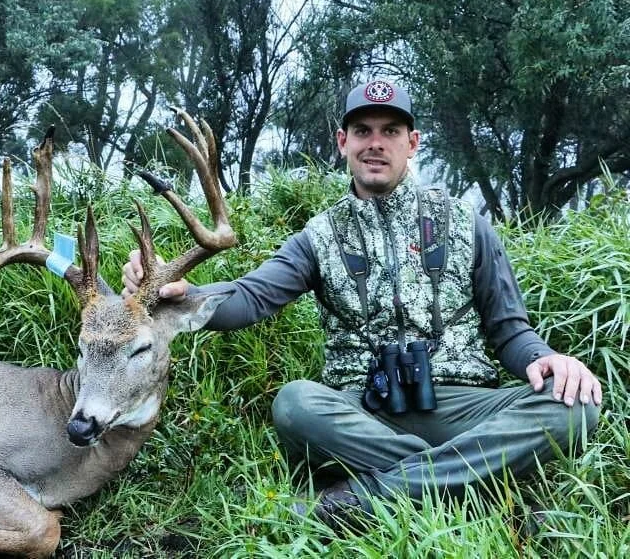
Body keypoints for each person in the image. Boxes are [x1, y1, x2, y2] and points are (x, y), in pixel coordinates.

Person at [121, 80, 602, 528]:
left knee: (574, 406)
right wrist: (185, 294)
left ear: (412, 143)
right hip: (364, 410)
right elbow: (251, 296)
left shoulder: (465, 222)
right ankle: (472, 480)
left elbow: (510, 329)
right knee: (295, 404)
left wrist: (545, 358)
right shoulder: (318, 237)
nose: (376, 143)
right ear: (342, 142)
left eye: (390, 131)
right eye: (362, 131)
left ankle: (364, 496)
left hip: (462, 402)